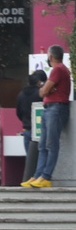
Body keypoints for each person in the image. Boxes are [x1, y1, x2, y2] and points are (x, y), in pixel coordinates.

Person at [26, 45, 72, 188]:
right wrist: (47, 89)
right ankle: (37, 175)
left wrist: (47, 88)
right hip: (49, 108)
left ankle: (46, 176)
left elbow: (43, 91)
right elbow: (44, 91)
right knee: (43, 145)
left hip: (56, 108)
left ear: (50, 56)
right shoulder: (60, 70)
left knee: (51, 144)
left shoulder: (58, 69)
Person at [17, 71, 48, 185]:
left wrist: (25, 123)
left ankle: (29, 179)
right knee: (42, 155)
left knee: (30, 159)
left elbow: (18, 112)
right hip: (40, 131)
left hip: (27, 130)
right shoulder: (40, 94)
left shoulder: (21, 94)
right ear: (39, 82)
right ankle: (38, 178)